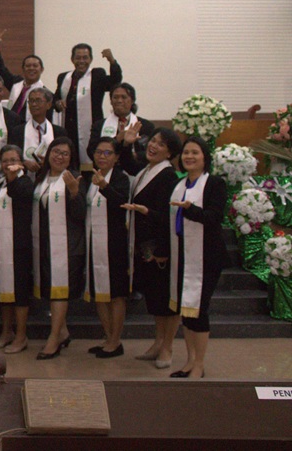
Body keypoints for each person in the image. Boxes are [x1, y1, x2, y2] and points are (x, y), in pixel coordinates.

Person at [120, 127, 182, 369]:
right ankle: (158, 342)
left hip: (160, 247)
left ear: (170, 152)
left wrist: (147, 213)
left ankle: (167, 347)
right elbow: (128, 163)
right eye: (153, 140)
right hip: (143, 245)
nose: (153, 146)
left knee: (166, 299)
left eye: (160, 144)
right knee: (155, 299)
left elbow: (169, 215)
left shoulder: (168, 176)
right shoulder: (147, 170)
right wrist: (126, 144)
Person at [168, 137, 228, 379]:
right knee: (186, 311)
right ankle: (189, 360)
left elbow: (214, 217)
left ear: (205, 158)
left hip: (206, 257)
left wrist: (189, 209)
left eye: (195, 152)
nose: (189, 157)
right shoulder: (180, 184)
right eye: (185, 153)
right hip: (182, 254)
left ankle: (200, 364)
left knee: (199, 310)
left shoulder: (214, 184)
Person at [32, 137, 86, 360]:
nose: (59, 156)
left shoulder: (75, 179)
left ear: (71, 158)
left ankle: (53, 338)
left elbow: (81, 214)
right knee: (50, 288)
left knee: (59, 289)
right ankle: (62, 331)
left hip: (68, 245)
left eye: (65, 153)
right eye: (56, 151)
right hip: (44, 243)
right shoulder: (41, 177)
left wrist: (74, 192)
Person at [84, 137, 131, 358]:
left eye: (108, 153)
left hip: (115, 243)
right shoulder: (90, 178)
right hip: (94, 242)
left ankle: (116, 339)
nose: (102, 157)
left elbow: (120, 204)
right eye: (99, 152)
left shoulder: (120, 178)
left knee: (116, 293)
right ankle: (107, 336)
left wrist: (104, 186)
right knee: (99, 291)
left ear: (116, 157)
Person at [0, 144, 34, 354]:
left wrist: (14, 178)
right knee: (3, 290)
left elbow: (20, 196)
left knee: (20, 292)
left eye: (13, 160)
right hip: (0, 246)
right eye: (5, 160)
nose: (9, 164)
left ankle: (21, 335)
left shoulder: (24, 182)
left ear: (21, 161)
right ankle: (6, 331)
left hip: (19, 246)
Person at [53, 44, 123, 171]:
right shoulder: (64, 77)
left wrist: (112, 61)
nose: (81, 61)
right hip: (69, 130)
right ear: (72, 59)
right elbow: (56, 97)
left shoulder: (97, 75)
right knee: (71, 166)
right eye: (78, 58)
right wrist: (57, 103)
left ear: (90, 59)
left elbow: (115, 81)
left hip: (91, 130)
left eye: (85, 58)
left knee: (92, 168)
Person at [87, 82, 155, 166]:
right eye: (115, 97)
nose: (119, 101)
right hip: (107, 173)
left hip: (135, 171)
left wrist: (135, 155)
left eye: (124, 97)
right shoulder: (99, 125)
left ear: (132, 100)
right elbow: (90, 151)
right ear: (111, 101)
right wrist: (116, 140)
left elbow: (151, 151)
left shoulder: (145, 126)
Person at [7, 87, 67, 181]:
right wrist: (24, 162)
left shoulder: (59, 132)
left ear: (48, 104)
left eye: (38, 101)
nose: (34, 104)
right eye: (31, 101)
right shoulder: (17, 131)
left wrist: (48, 163)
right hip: (24, 182)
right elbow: (10, 157)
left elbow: (66, 159)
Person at [0, 29, 45, 122]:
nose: (31, 68)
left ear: (42, 69)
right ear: (23, 69)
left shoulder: (44, 93)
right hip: (10, 127)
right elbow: (1, 70)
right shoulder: (16, 83)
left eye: (35, 66)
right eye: (28, 66)